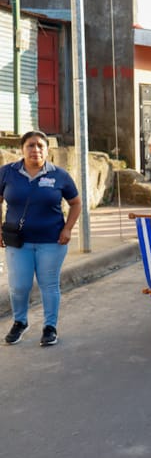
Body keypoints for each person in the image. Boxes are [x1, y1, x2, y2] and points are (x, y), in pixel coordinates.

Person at [1, 131, 81, 347]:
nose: (35, 150)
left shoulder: (59, 175)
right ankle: (20, 322)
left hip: (52, 241)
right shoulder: (7, 173)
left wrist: (68, 229)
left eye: (40, 146)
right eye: (30, 145)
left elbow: (76, 203)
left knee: (49, 285)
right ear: (22, 149)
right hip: (18, 242)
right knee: (19, 286)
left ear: (47, 150)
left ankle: (49, 327)